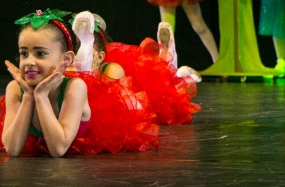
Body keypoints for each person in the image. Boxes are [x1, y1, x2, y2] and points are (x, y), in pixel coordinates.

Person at [0, 9, 158, 157]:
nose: (29, 61)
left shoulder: (75, 87)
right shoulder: (15, 88)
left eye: (41, 53)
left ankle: (87, 52)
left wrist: (41, 96)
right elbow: (12, 149)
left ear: (66, 58)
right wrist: (29, 95)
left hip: (94, 132)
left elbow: (58, 149)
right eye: (24, 53)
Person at [72, 12, 200, 125]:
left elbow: (113, 103)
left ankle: (172, 63)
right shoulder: (72, 68)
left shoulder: (112, 69)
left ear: (100, 57)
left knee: (167, 97)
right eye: (78, 49)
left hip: (137, 105)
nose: (78, 55)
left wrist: (91, 73)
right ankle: (175, 71)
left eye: (84, 50)